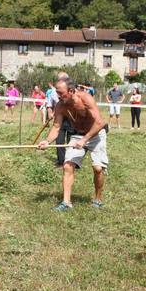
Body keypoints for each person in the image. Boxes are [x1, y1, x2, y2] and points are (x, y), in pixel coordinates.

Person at [38, 77, 108, 211]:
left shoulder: (86, 98)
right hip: (78, 135)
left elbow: (99, 122)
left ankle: (98, 199)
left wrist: (85, 139)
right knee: (67, 166)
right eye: (56, 93)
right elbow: (56, 127)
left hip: (96, 134)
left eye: (60, 93)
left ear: (70, 91)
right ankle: (66, 203)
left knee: (98, 168)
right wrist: (47, 141)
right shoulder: (60, 105)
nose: (58, 96)